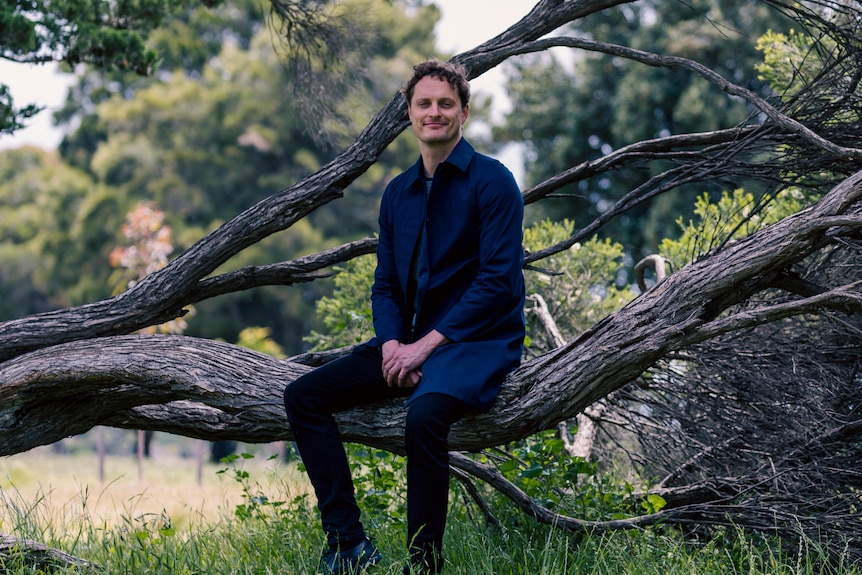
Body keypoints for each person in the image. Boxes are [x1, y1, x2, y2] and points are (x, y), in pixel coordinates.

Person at [283, 58, 525, 575]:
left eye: (444, 103)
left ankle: (424, 566)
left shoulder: (494, 181)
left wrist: (427, 345)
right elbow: (387, 285)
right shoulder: (397, 193)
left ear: (464, 111)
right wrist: (393, 344)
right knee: (303, 396)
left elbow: (497, 282)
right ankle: (348, 545)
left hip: (475, 343)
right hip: (409, 342)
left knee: (423, 417)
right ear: (410, 113)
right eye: (424, 103)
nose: (433, 112)